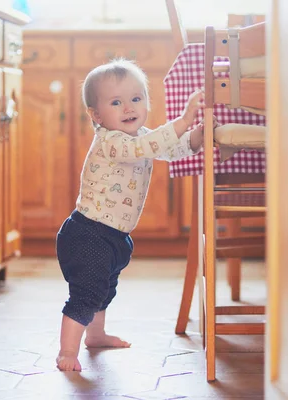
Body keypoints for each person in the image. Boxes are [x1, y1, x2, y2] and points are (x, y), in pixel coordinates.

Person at [55, 58, 205, 371]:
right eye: (116, 102)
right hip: (88, 234)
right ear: (96, 115)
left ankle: (95, 336)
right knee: (87, 292)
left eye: (136, 99)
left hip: (113, 235)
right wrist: (183, 119)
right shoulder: (111, 141)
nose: (128, 108)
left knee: (105, 290)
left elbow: (168, 148)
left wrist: (195, 137)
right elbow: (150, 145)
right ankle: (67, 352)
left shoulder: (140, 137)